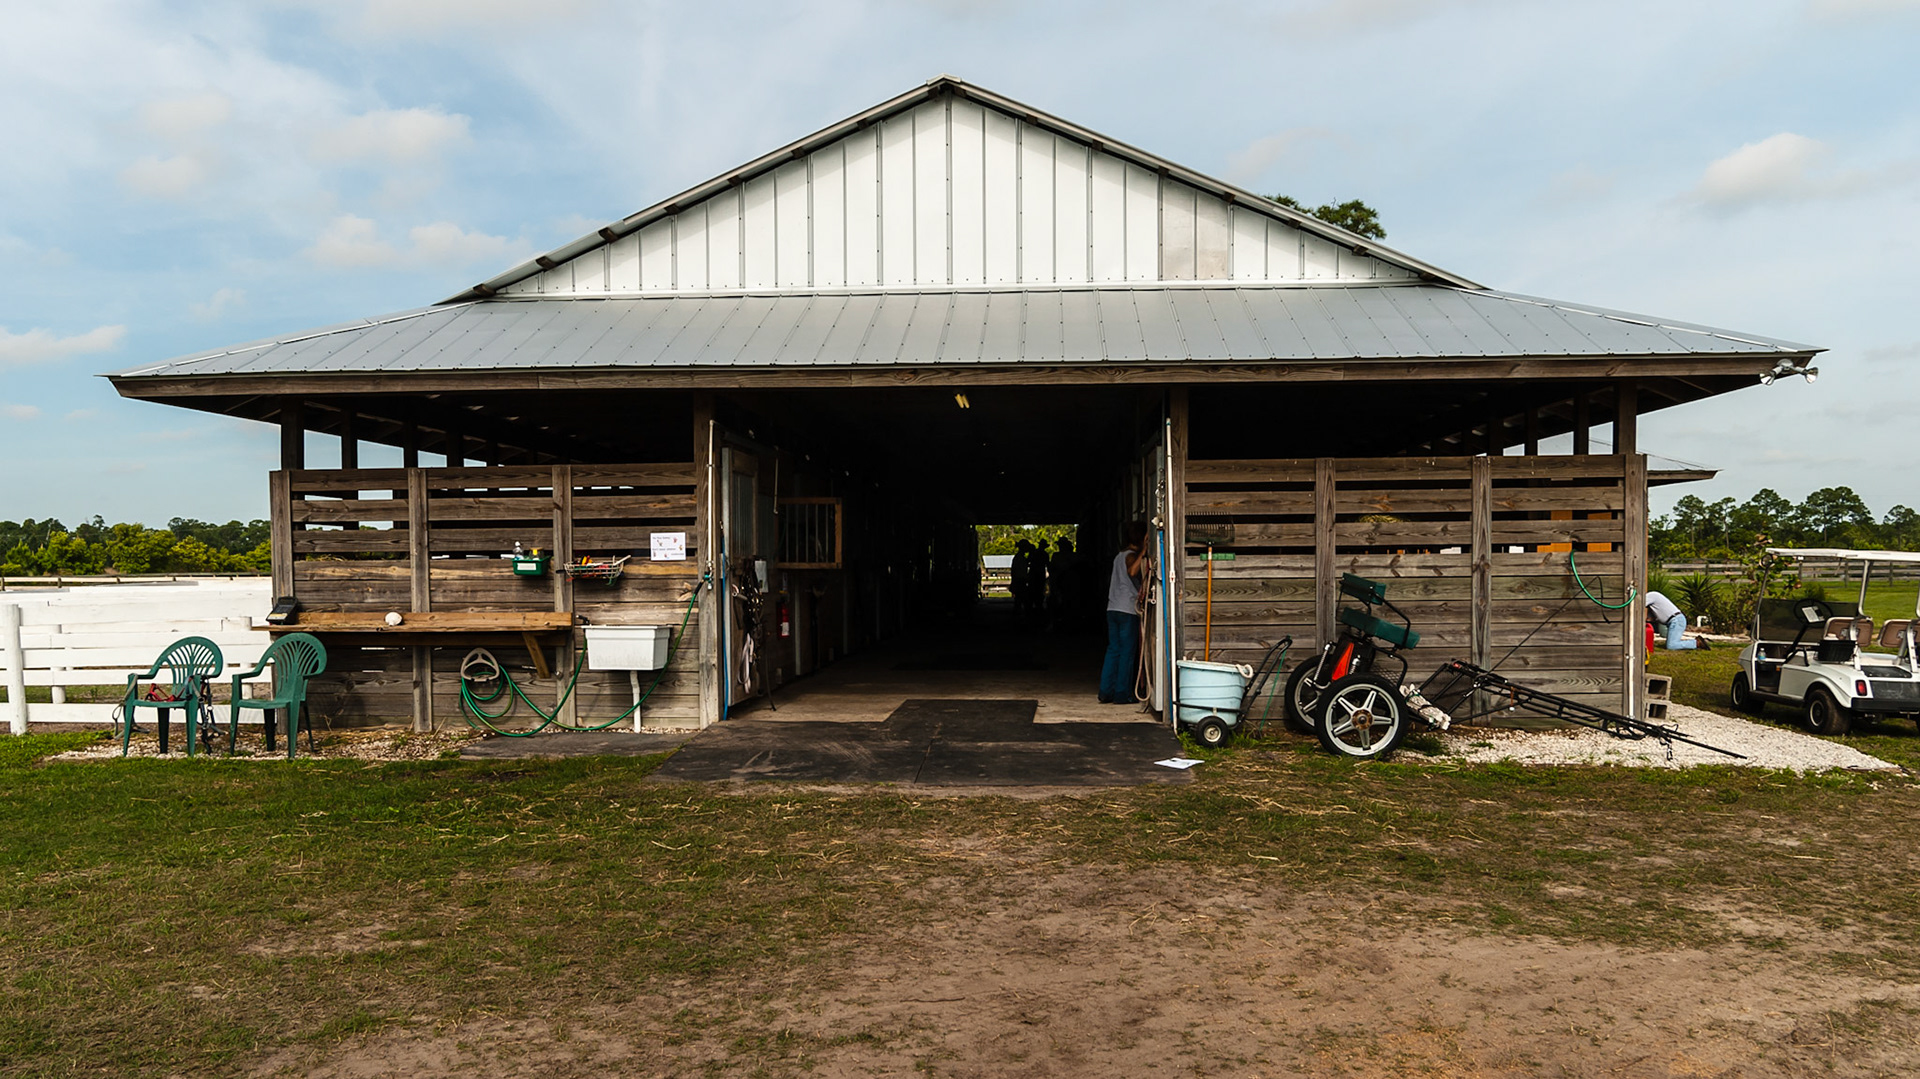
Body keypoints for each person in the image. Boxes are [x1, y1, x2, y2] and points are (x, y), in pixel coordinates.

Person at [1100, 521, 1149, 704]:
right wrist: (1144, 551)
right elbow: (1133, 571)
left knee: (1113, 650)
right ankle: (1122, 694)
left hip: (1112, 608)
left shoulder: (1118, 556)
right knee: (1127, 653)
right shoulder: (1130, 556)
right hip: (1127, 610)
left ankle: (1105, 691)